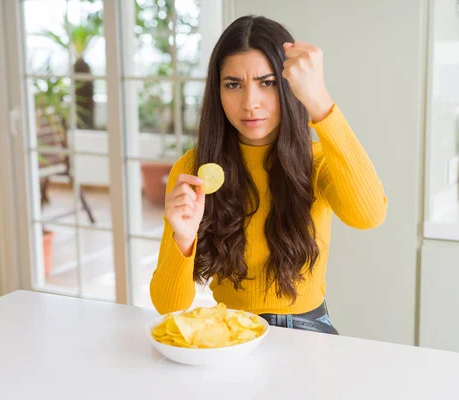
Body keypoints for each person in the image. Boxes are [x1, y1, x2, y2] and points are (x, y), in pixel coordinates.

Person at [150, 15, 387, 335]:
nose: (250, 103)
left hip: (307, 328)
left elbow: (369, 215)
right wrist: (183, 237)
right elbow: (168, 306)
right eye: (233, 84)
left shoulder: (318, 161)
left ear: (290, 85)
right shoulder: (193, 169)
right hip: (230, 330)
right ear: (217, 91)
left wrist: (319, 102)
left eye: (267, 83)